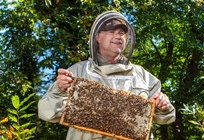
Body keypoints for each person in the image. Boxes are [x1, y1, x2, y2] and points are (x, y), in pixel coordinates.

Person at [38, 10, 175, 140]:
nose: (118, 36)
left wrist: (164, 105)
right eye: (112, 31)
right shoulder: (77, 72)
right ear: (98, 37)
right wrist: (59, 90)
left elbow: (165, 117)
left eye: (122, 32)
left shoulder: (143, 76)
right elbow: (46, 113)